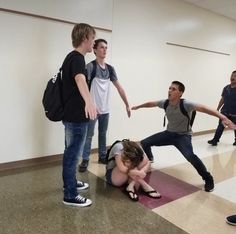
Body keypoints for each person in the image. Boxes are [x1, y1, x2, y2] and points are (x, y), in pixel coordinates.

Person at [131, 81, 234, 192]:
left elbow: (204, 108)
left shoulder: (186, 104)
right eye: (169, 88)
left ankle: (208, 179)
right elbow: (152, 103)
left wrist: (223, 117)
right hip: (169, 134)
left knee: (190, 156)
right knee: (145, 142)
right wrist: (139, 106)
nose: (169, 91)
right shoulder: (165, 103)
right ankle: (150, 159)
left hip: (183, 136)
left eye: (173, 89)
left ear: (180, 93)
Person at [78, 38, 131, 172]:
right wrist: (87, 104)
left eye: (106, 47)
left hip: (105, 109)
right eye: (102, 47)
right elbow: (82, 85)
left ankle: (102, 156)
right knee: (88, 135)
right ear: (95, 50)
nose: (104, 50)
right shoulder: (90, 67)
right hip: (92, 109)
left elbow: (119, 88)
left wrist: (127, 104)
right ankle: (85, 159)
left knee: (103, 133)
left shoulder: (110, 69)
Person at [61, 23, 97, 207]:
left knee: (71, 153)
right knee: (72, 156)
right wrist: (89, 101)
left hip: (71, 116)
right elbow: (79, 78)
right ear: (84, 38)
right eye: (92, 38)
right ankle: (70, 195)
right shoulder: (77, 59)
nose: (93, 42)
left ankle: (71, 183)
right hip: (76, 118)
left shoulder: (71, 57)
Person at [208, 70, 236, 146]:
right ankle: (215, 140)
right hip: (225, 112)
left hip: (235, 113)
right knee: (220, 126)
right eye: (232, 75)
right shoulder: (226, 88)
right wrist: (217, 108)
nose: (232, 77)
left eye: (235, 76)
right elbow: (222, 99)